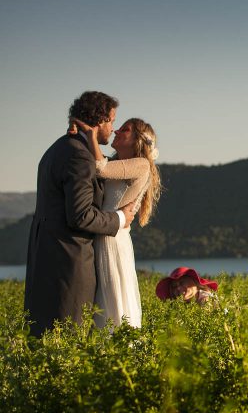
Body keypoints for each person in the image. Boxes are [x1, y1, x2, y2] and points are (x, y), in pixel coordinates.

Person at [24, 92, 136, 336]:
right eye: (112, 121)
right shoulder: (79, 156)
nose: (113, 128)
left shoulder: (57, 149)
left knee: (44, 341)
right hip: (69, 264)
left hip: (45, 260)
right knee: (69, 342)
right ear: (99, 120)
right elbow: (80, 215)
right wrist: (119, 218)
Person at [74, 117, 162, 328]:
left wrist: (91, 136)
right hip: (103, 233)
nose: (117, 131)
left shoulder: (141, 164)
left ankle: (117, 355)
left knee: (112, 303)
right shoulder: (117, 163)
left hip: (112, 240)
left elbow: (100, 169)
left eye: (125, 129)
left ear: (137, 140)